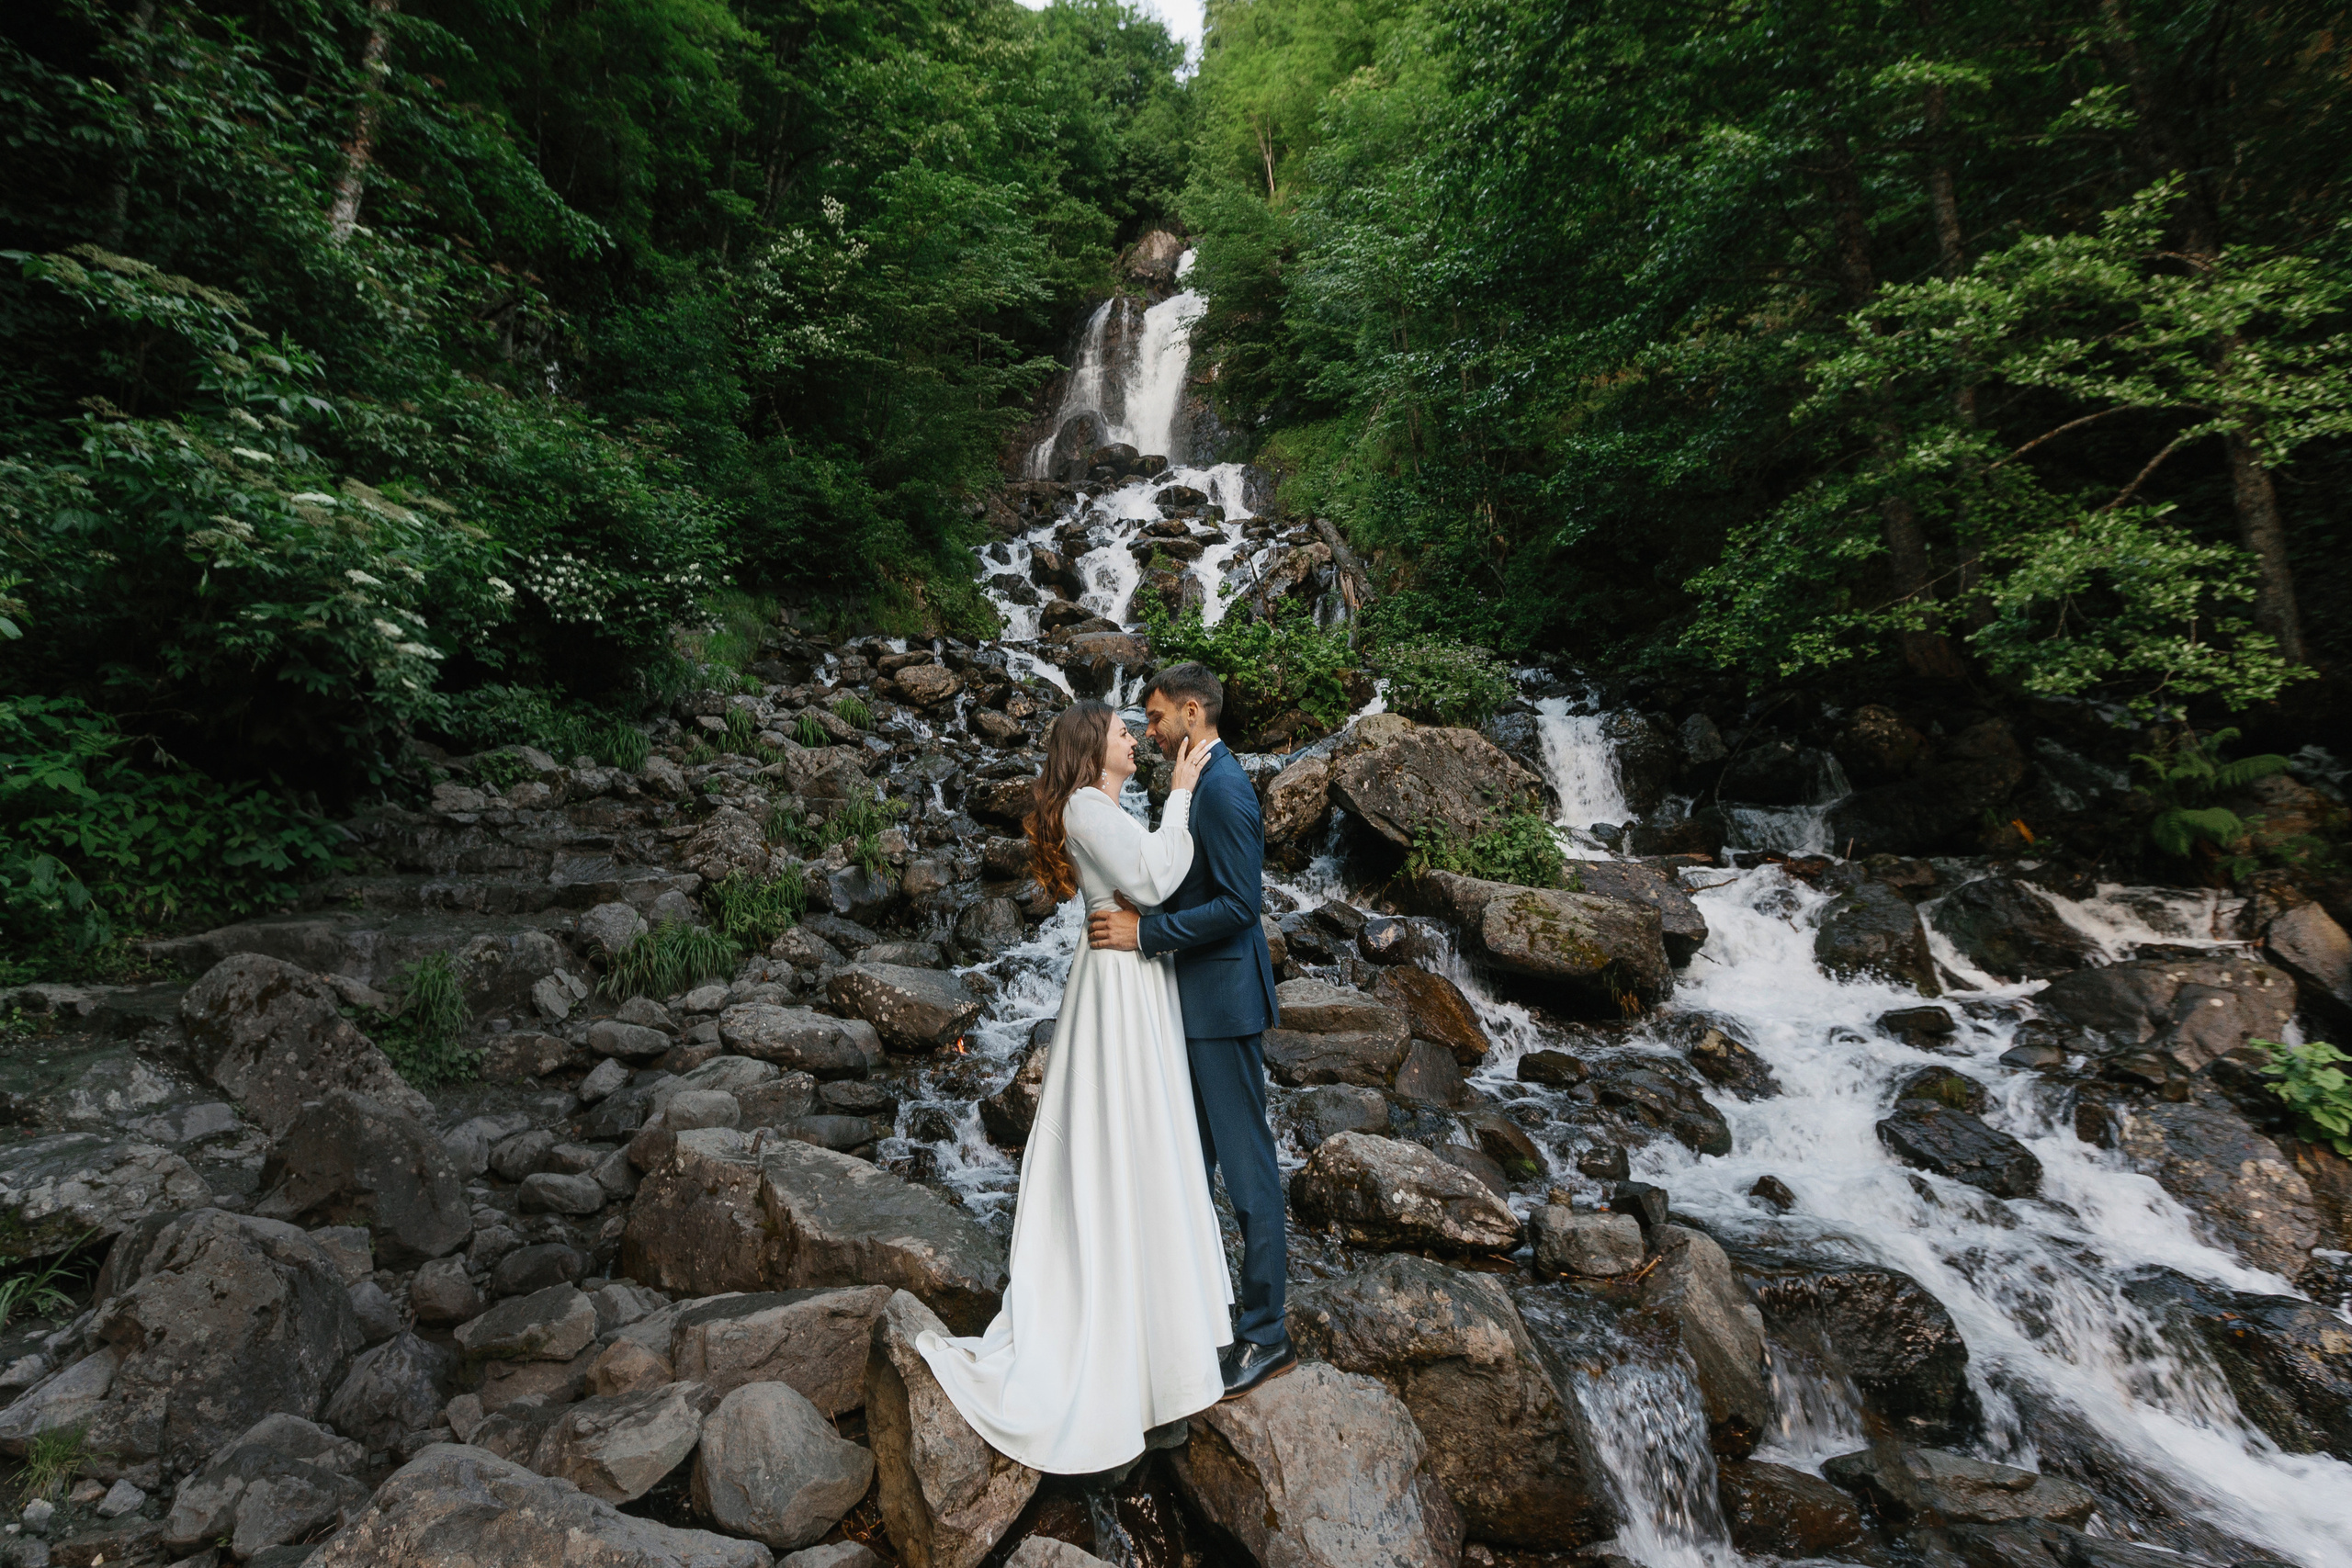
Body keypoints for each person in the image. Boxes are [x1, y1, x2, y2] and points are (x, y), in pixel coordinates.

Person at [913, 699, 1229, 1475]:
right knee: (1126, 1152)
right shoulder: (1088, 805)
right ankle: (1124, 1380)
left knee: (1144, 1154)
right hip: (1118, 989)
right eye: (1124, 730)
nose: (1136, 737)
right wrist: (1185, 790)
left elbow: (1153, 874)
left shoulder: (1103, 807)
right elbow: (1155, 879)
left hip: (1134, 977)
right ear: (1093, 749)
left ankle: (1153, 1376)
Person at [1087, 661, 1293, 1401]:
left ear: (1194, 713)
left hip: (1223, 1005)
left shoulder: (1225, 790)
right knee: (1192, 1168)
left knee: (1248, 1171)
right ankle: (1206, 1313)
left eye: (1157, 715)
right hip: (1197, 1004)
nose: (1149, 729)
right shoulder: (1197, 784)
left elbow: (1241, 906)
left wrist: (1146, 934)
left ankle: (1267, 1332)